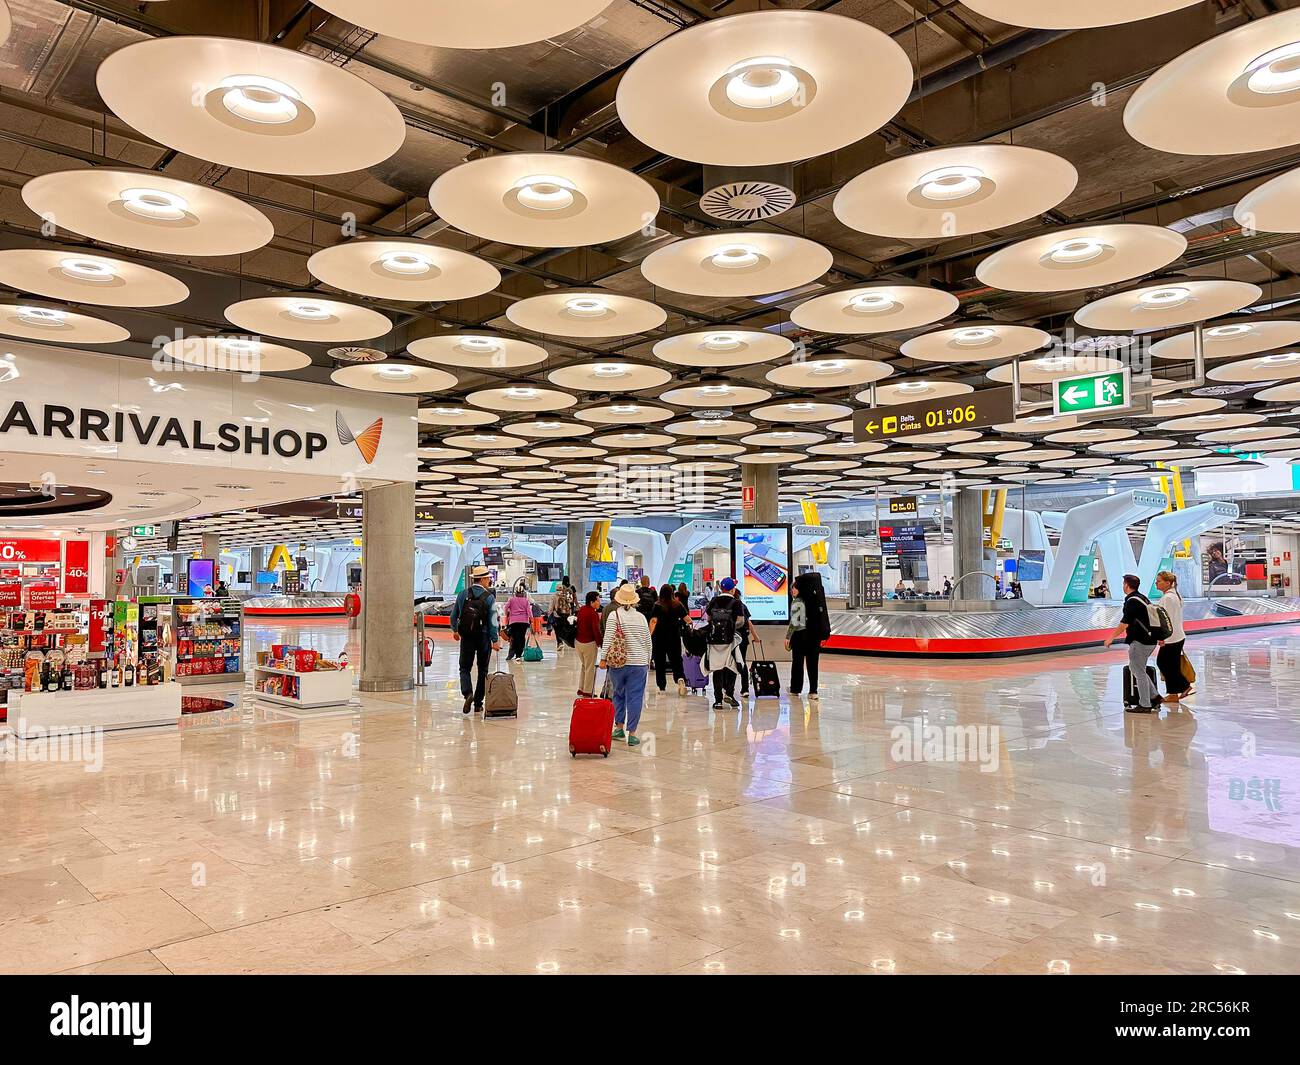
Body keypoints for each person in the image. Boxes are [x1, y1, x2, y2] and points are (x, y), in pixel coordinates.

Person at [600, 584, 651, 747]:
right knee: (635, 697)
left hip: (618, 663)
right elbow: (648, 641)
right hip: (639, 663)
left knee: (618, 694)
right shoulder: (641, 617)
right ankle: (633, 734)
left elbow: (608, 638)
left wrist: (603, 658)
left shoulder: (614, 616)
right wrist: (648, 660)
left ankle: (619, 727)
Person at [1103, 573, 1161, 713]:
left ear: (1127, 585)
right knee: (1136, 668)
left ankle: (1145, 704)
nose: (1123, 586)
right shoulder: (1143, 598)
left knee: (1138, 671)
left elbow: (1125, 623)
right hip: (1150, 639)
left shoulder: (1132, 601)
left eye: (1123, 583)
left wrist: (1111, 637)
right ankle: (1154, 697)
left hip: (1140, 641)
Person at [449, 564, 501, 713]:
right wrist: (495, 640)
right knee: (483, 670)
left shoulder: (462, 594)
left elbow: (454, 616)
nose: (489, 582)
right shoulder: (489, 597)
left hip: (467, 637)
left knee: (464, 667)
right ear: (483, 579)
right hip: (483, 637)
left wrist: (455, 631)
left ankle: (467, 693)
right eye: (488, 579)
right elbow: (492, 621)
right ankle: (478, 703)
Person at [785, 571, 829, 700]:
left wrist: (788, 637)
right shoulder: (815, 601)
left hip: (800, 637)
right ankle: (813, 691)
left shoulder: (797, 602)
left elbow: (795, 623)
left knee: (797, 664)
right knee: (813, 664)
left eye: (794, 588)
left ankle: (795, 689)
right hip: (814, 637)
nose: (792, 591)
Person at [703, 576, 745, 710]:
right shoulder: (736, 603)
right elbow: (740, 621)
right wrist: (731, 627)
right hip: (729, 640)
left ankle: (718, 701)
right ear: (732, 589)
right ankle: (729, 693)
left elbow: (708, 618)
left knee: (717, 668)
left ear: (721, 588)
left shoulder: (714, 600)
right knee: (732, 666)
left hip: (715, 641)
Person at [1153, 570, 1193, 701]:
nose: (1156, 583)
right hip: (1177, 636)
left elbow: (1166, 620)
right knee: (1170, 664)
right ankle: (1174, 694)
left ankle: (1183, 686)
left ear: (1168, 583)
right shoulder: (1173, 596)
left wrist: (1162, 637)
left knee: (1163, 663)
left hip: (1172, 637)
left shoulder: (1168, 598)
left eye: (1159, 581)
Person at [649, 583, 688, 696]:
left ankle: (662, 687)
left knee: (660, 662)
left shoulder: (657, 605)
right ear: (672, 593)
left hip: (659, 638)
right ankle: (680, 679)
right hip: (674, 637)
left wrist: (649, 635)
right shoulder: (677, 605)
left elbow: (653, 621)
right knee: (676, 660)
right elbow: (687, 619)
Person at [731, 586, 759, 697]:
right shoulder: (742, 606)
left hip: (730, 639)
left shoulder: (729, 606)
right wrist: (755, 636)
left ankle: (728, 688)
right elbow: (748, 622)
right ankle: (745, 689)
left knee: (729, 663)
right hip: (743, 638)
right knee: (742, 663)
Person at [575, 590, 601, 697]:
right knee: (590, 668)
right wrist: (600, 643)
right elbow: (596, 630)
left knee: (584, 666)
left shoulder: (581, 610)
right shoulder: (593, 613)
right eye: (598, 600)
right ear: (592, 602)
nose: (599, 602)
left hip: (578, 642)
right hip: (589, 643)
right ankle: (588, 691)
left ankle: (581, 688)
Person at [551, 576, 577, 657]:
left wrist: (549, 614)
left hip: (557, 614)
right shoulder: (571, 588)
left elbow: (551, 608)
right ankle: (569, 641)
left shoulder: (555, 595)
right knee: (568, 627)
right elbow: (574, 598)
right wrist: (576, 606)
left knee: (557, 629)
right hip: (568, 613)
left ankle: (560, 642)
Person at [504, 583, 532, 661]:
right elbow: (529, 611)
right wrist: (531, 619)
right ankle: (518, 654)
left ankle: (512, 653)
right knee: (521, 637)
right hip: (524, 621)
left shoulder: (511, 599)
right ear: (523, 593)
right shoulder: (526, 600)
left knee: (514, 637)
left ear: (516, 593)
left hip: (513, 621)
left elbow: (505, 607)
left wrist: (507, 614)